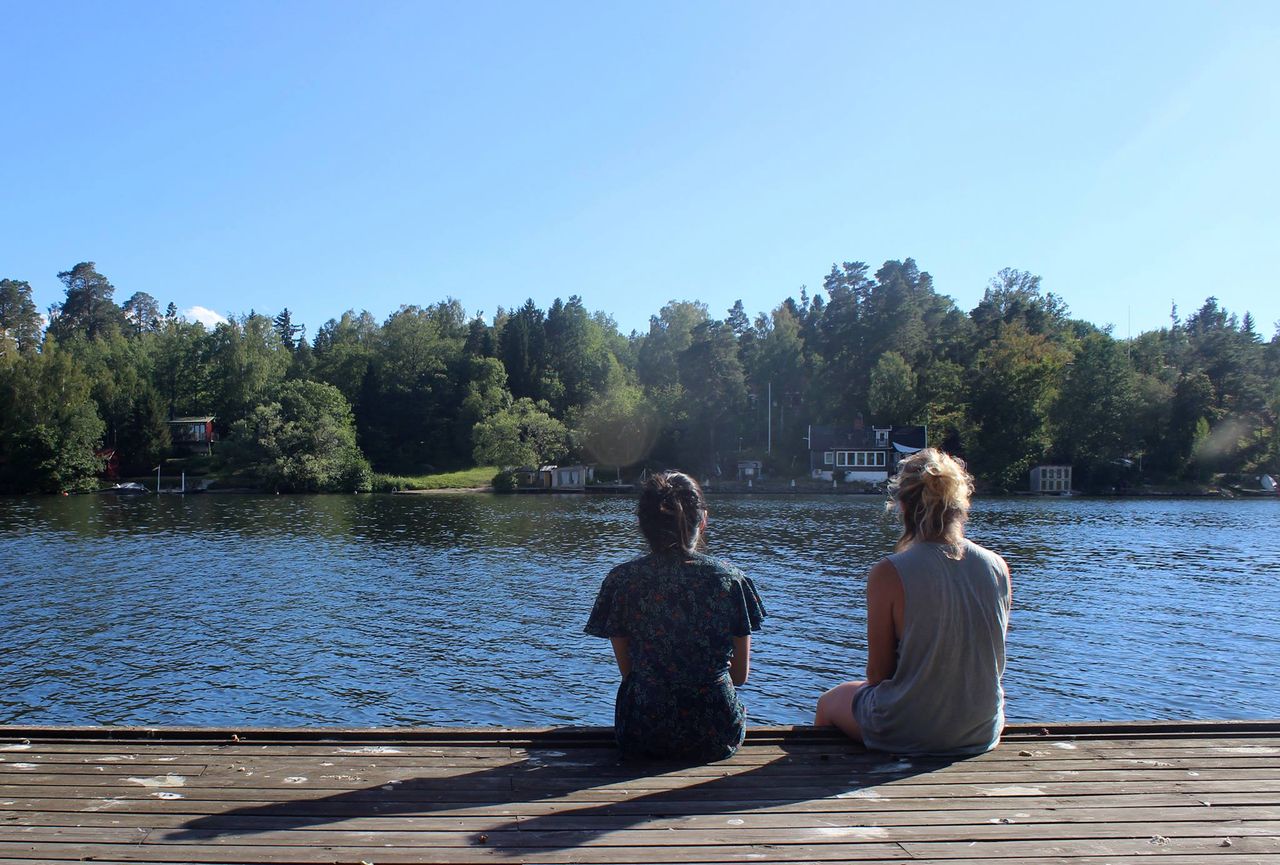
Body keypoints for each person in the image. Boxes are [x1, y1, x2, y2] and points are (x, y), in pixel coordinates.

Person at [815, 448, 1011, 755]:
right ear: (961, 506)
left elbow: (878, 675)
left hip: (910, 729)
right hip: (980, 728)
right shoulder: (997, 566)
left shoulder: (890, 572)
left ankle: (830, 774)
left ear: (903, 506)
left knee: (829, 702)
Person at [585, 470, 765, 761]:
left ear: (642, 524)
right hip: (716, 733)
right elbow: (740, 676)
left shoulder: (621, 581)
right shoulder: (730, 580)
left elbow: (629, 673)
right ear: (703, 521)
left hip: (641, 731)